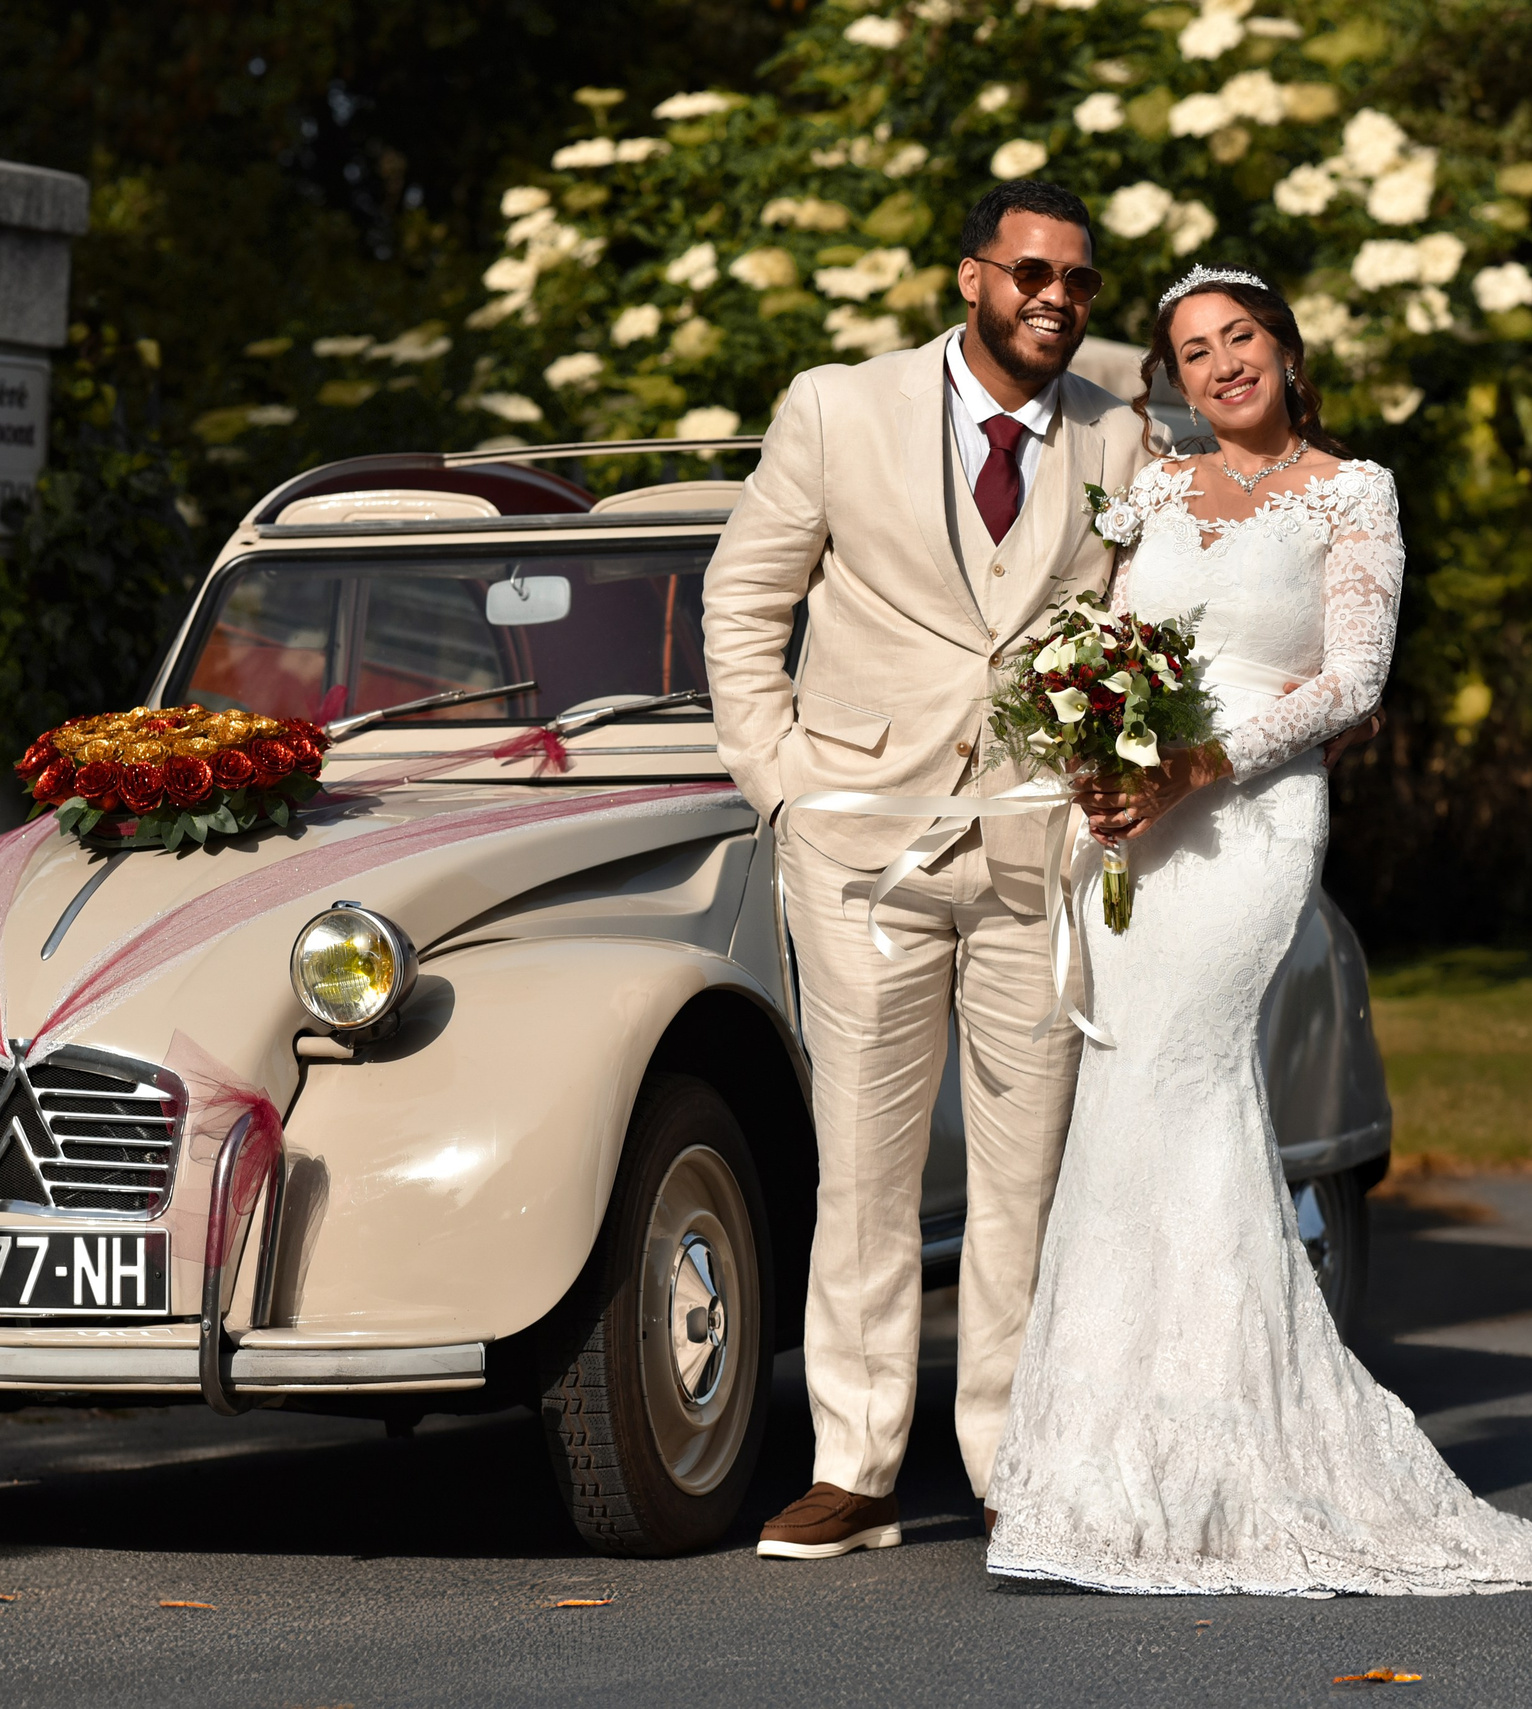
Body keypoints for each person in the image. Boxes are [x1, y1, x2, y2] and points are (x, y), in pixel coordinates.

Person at [984, 265, 1532, 1595]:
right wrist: (1101, 757)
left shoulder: (1354, 493)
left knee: (1183, 1081)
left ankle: (1238, 1457)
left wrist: (1194, 765)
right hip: (1136, 823)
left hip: (1250, 822)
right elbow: (1109, 643)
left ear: (1287, 353)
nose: (1223, 363)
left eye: (1242, 338)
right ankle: (1102, 1463)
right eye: (1194, 350)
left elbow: (1351, 680)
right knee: (1125, 1096)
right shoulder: (1159, 489)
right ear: (1171, 379)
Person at [703, 179, 1161, 1558]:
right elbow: (745, 596)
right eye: (1031, 272)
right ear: (972, 276)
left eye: (1078, 281)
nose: (1056, 299)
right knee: (864, 1169)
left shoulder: (1119, 435)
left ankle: (1015, 1461)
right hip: (859, 847)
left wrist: (1119, 771)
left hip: (1037, 845)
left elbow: (1141, 625)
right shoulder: (837, 407)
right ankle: (855, 1468)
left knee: (1027, 1178)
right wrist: (783, 788)